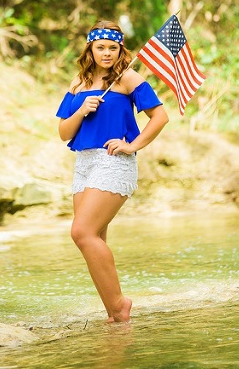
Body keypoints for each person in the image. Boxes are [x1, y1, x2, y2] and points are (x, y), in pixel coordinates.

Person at [56, 20, 169, 322]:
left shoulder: (128, 78)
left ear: (120, 49)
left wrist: (133, 146)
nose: (107, 53)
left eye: (112, 48)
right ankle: (115, 315)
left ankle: (120, 304)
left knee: (82, 232)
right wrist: (81, 110)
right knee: (95, 238)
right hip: (84, 164)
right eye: (100, 47)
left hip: (112, 161)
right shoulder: (77, 84)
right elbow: (64, 133)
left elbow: (160, 116)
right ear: (90, 49)